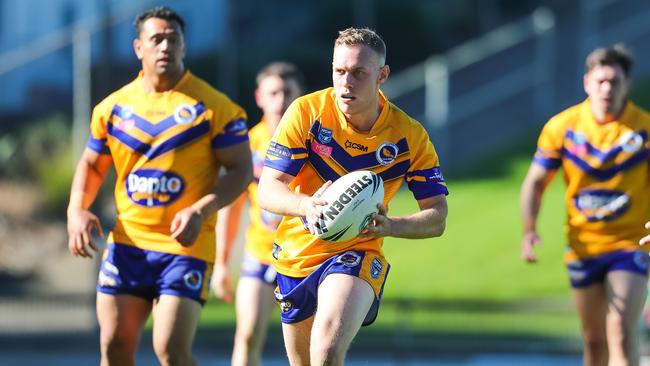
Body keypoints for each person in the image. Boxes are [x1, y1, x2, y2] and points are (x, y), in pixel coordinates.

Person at [65, 6, 252, 366]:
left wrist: (202, 210)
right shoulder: (113, 108)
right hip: (128, 244)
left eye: (173, 39)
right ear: (139, 48)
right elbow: (91, 163)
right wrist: (77, 208)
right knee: (115, 348)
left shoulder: (216, 108)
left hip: (186, 248)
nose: (165, 46)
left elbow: (241, 170)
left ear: (183, 46)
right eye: (157, 39)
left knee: (170, 350)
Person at [257, 27, 449, 365]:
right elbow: (268, 189)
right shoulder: (306, 113)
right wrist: (306, 205)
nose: (346, 82)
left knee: (327, 351)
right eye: (340, 71)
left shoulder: (409, 136)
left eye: (359, 73)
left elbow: (436, 216)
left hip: (357, 252)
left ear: (382, 75)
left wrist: (391, 226)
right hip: (296, 256)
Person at [520, 45, 650, 366]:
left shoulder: (644, 129)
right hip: (582, 246)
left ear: (626, 85)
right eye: (601, 81)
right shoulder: (562, 127)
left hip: (630, 243)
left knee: (620, 328)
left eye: (615, 82)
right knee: (594, 340)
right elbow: (535, 182)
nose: (608, 89)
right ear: (586, 83)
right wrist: (528, 229)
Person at [211, 62, 305, 366]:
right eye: (273, 92)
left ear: (299, 94)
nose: (280, 100)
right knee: (248, 334)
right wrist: (222, 264)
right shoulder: (249, 146)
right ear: (259, 97)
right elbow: (231, 207)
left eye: (287, 92)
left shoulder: (315, 142)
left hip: (304, 257)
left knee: (307, 347)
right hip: (260, 254)